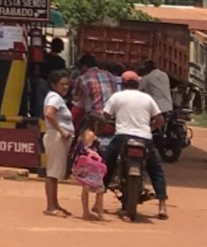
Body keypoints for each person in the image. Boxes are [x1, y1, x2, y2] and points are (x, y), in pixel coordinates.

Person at [103, 71, 168, 219]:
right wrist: (149, 128)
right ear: (137, 84)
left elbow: (105, 116)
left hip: (122, 137)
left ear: (123, 84)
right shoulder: (147, 98)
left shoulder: (116, 97)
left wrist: (109, 123)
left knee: (107, 164)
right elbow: (160, 120)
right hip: (145, 138)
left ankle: (98, 198)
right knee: (156, 169)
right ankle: (162, 206)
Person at [42, 69, 75, 218]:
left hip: (58, 137)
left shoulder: (57, 98)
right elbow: (49, 114)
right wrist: (61, 131)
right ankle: (50, 206)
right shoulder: (54, 98)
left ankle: (55, 204)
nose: (66, 87)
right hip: (56, 137)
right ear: (54, 85)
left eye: (67, 84)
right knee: (53, 172)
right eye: (62, 84)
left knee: (55, 173)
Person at [72, 112, 108, 221]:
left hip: (83, 165)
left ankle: (86, 212)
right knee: (100, 189)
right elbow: (86, 148)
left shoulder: (82, 132)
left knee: (86, 189)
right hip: (90, 166)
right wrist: (94, 154)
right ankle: (99, 213)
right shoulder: (90, 134)